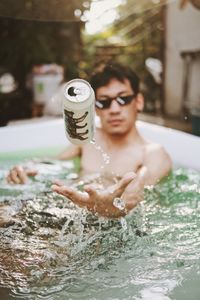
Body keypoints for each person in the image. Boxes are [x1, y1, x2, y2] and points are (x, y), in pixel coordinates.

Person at [6, 62, 172, 218]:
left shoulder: (152, 153)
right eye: (104, 102)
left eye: (123, 99)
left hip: (109, 225)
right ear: (95, 108)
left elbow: (135, 196)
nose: (114, 109)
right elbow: (50, 164)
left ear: (139, 102)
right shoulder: (87, 141)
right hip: (65, 211)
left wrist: (111, 208)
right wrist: (25, 169)